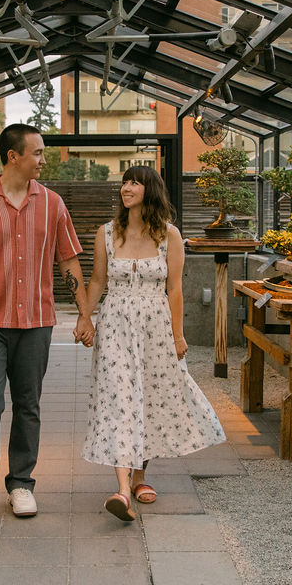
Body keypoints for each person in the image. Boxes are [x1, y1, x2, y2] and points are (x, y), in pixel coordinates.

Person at [0, 123, 94, 528]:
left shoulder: (53, 205)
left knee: (28, 406)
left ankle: (21, 484)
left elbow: (68, 261)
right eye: (38, 153)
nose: (43, 160)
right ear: (13, 156)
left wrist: (84, 313)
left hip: (36, 322)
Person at [80, 166, 226, 521]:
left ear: (151, 190)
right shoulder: (106, 233)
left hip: (155, 326)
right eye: (125, 182)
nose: (126, 188)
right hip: (115, 323)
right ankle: (120, 488)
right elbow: (98, 280)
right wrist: (85, 317)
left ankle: (140, 477)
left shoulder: (169, 235)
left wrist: (178, 336)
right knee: (119, 399)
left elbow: (174, 288)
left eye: (134, 182)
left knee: (148, 400)